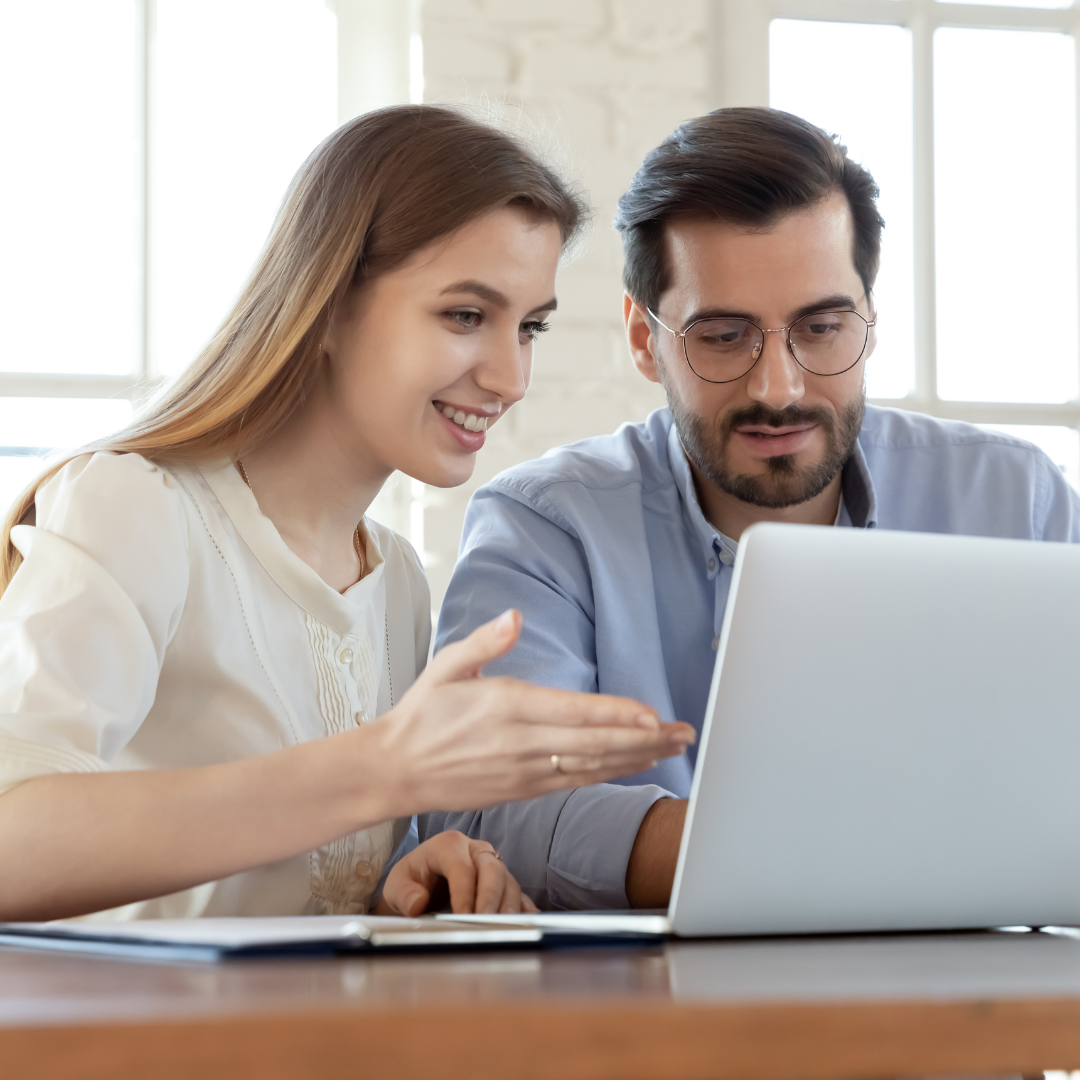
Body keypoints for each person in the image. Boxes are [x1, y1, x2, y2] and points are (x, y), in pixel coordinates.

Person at [0, 105, 694, 923]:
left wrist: (402, 878)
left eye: (530, 327)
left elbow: (282, 876)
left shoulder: (394, 581)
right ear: (328, 305)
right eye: (466, 315)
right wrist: (385, 769)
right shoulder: (136, 507)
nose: (511, 378)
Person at [429, 106, 1080, 911]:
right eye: (726, 336)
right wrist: (851, 857)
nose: (779, 387)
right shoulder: (547, 529)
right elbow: (474, 812)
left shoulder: (1018, 501)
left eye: (821, 327)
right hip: (659, 1023)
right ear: (644, 339)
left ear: (869, 323)